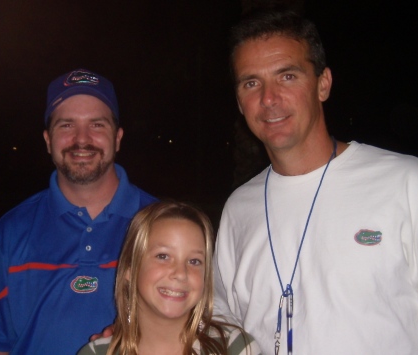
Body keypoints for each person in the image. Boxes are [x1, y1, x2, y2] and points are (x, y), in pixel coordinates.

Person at [213, 10, 418, 355]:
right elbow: (221, 319)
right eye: (251, 83)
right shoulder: (238, 208)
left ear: (323, 84)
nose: (268, 98)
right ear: (239, 101)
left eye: (287, 76)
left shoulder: (404, 182)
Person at [0, 69, 157, 354]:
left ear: (117, 138)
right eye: (66, 125)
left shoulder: (162, 224)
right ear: (47, 140)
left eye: (97, 125)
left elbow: (195, 321)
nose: (82, 139)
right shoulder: (11, 231)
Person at [78, 201, 261, 355]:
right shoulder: (97, 352)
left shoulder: (235, 348)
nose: (181, 273)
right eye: (163, 256)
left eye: (194, 261)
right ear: (130, 269)